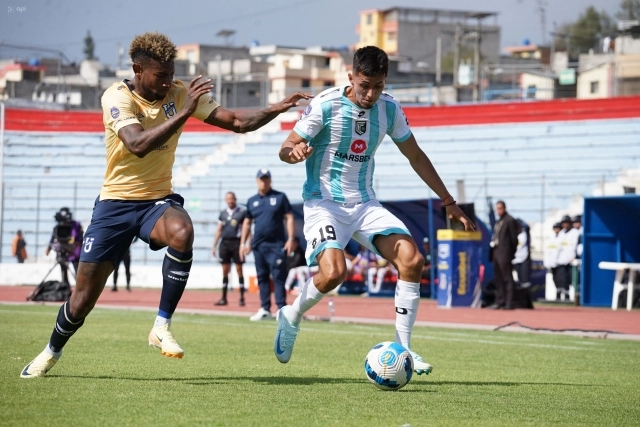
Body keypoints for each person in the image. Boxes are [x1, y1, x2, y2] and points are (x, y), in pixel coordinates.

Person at [20, 32, 310, 378]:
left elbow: (235, 122)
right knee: (82, 299)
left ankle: (161, 325)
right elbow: (137, 144)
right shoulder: (116, 96)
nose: (168, 82)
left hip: (156, 200)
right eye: (161, 76)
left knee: (182, 231)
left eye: (172, 74)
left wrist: (274, 110)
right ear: (137, 70)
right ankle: (51, 351)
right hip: (115, 203)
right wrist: (186, 111)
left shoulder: (178, 92)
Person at [273, 46, 474, 375]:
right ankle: (291, 315)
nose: (370, 93)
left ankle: (404, 348)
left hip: (365, 204)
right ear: (351, 76)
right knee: (334, 272)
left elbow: (416, 156)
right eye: (365, 85)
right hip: (324, 203)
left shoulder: (390, 109)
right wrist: (292, 153)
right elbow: (286, 146)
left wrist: (448, 201)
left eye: (378, 86)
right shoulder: (326, 104)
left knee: (411, 259)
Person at [240, 169, 295, 321]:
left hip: (277, 245)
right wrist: (243, 243)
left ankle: (281, 308)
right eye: (261, 179)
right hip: (258, 245)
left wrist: (290, 239)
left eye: (266, 179)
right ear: (257, 181)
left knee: (278, 276)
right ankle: (264, 308)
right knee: (262, 277)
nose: (264, 182)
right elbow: (247, 222)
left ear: (270, 180)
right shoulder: (252, 201)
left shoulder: (280, 197)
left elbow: (289, 217)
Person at [212, 192, 247, 306]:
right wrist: (214, 245)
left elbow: (247, 229)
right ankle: (223, 298)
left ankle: (242, 297)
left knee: (239, 270)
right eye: (228, 199)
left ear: (235, 199)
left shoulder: (242, 212)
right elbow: (219, 230)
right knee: (225, 271)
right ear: (225, 200)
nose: (230, 201)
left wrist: (246, 244)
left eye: (231, 198)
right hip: (225, 243)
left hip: (237, 243)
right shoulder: (223, 213)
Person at [488, 201, 519, 309]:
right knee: (498, 279)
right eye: (497, 209)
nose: (498, 211)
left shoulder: (510, 220)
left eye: (500, 208)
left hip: (505, 254)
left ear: (504, 208)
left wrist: (511, 253)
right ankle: (500, 300)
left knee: (507, 278)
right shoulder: (498, 221)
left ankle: (510, 302)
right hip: (496, 253)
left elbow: (514, 239)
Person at [45, 207, 84, 285]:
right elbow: (53, 238)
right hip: (62, 251)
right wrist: (49, 248)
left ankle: (80, 286)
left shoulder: (76, 225)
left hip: (75, 252)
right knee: (63, 269)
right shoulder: (58, 227)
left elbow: (80, 237)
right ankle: (65, 286)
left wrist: (78, 243)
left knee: (78, 271)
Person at [556, 215, 578, 301]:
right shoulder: (561, 233)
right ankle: (565, 295)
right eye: (563, 223)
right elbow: (559, 247)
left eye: (567, 223)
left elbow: (574, 246)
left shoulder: (574, 232)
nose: (565, 225)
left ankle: (574, 296)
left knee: (571, 278)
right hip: (561, 260)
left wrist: (573, 257)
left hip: (571, 260)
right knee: (562, 278)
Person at [512, 221, 531, 288]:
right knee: (519, 277)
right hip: (515, 259)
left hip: (523, 258)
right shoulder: (513, 234)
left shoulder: (524, 234)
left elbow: (519, 245)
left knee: (524, 277)